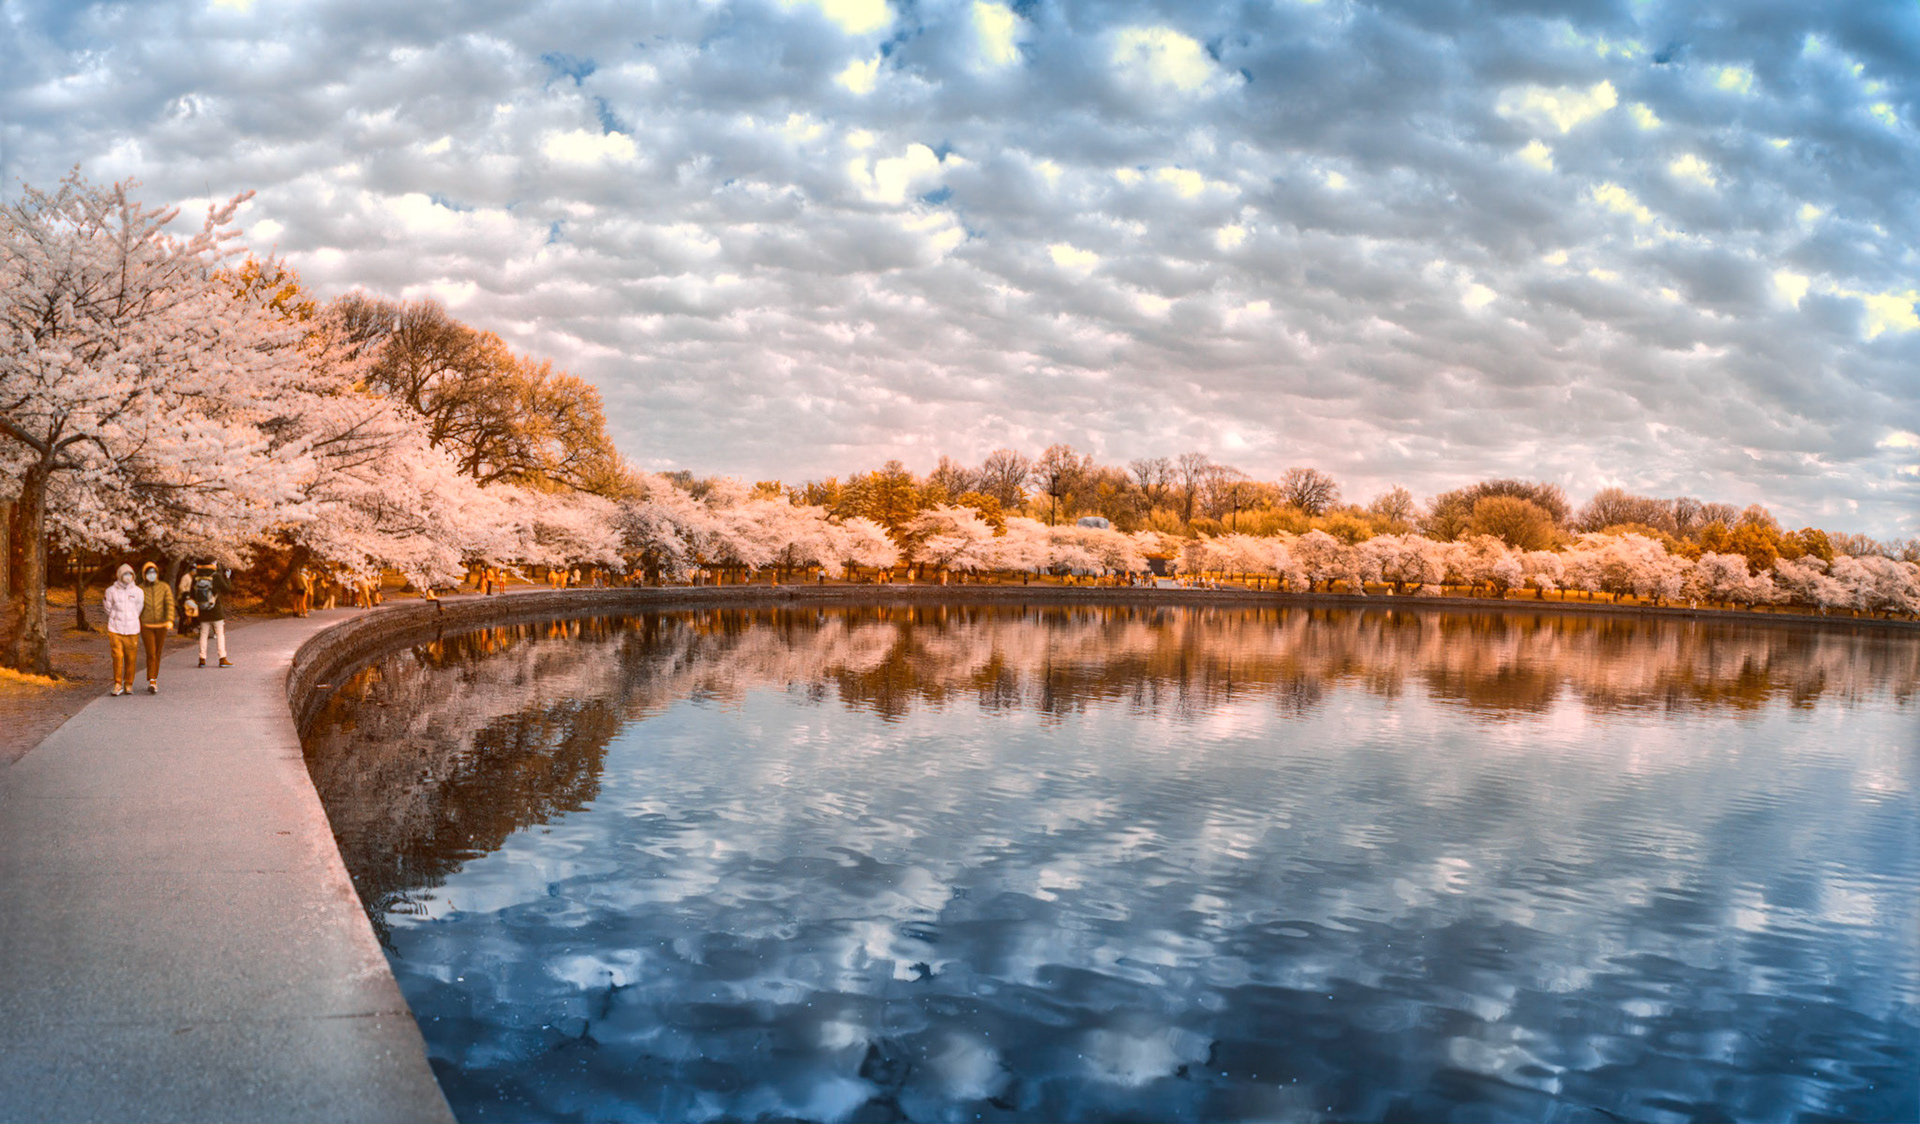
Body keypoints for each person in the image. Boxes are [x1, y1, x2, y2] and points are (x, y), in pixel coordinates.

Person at [103, 564, 144, 697]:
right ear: (120, 575)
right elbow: (107, 607)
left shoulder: (138, 591)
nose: (128, 577)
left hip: (132, 629)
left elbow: (139, 608)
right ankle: (118, 683)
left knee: (131, 658)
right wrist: (116, 617)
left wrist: (131, 618)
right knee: (117, 656)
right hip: (115, 628)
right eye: (125, 574)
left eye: (130, 574)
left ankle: (129, 683)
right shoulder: (111, 591)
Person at [185, 561, 233, 668]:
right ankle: (222, 658)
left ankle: (202, 659)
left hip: (203, 610)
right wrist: (227, 577)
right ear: (212, 564)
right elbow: (227, 590)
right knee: (220, 633)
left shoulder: (196, 577)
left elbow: (192, 594)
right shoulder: (216, 576)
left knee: (203, 634)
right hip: (216, 610)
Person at [137, 562, 175, 694]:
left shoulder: (164, 587)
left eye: (153, 573)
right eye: (148, 573)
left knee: (158, 652)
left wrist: (169, 619)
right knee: (151, 653)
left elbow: (169, 603)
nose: (151, 575)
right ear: (144, 575)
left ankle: (154, 677)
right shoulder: (140, 589)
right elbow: (136, 607)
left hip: (161, 625)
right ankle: (152, 680)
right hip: (146, 625)